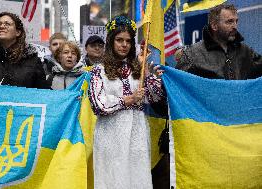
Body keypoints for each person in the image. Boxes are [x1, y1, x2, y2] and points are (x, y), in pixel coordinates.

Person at [88, 15, 163, 189]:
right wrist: (128, 100)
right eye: (119, 40)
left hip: (137, 132)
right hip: (110, 133)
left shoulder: (138, 67)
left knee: (137, 177)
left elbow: (155, 98)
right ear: (111, 41)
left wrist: (149, 75)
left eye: (128, 41)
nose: (124, 45)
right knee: (113, 178)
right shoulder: (99, 70)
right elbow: (98, 105)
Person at [176, 4, 262, 80]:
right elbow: (177, 85)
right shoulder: (191, 54)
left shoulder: (245, 51)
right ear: (214, 26)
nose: (235, 26)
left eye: (236, 21)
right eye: (230, 21)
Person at [0, 12, 48, 88]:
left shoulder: (32, 60)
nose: (2, 26)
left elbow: (42, 93)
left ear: (18, 32)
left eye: (7, 24)